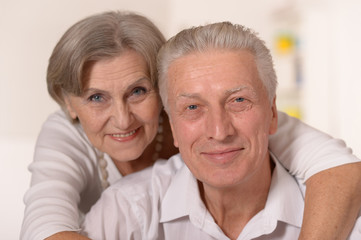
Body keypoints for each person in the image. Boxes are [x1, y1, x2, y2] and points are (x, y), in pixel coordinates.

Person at [20, 11, 361, 240]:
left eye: (138, 91)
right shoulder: (121, 202)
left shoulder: (243, 120)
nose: (218, 130)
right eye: (96, 97)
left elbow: (339, 169)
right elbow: (45, 223)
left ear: (160, 97)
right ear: (69, 103)